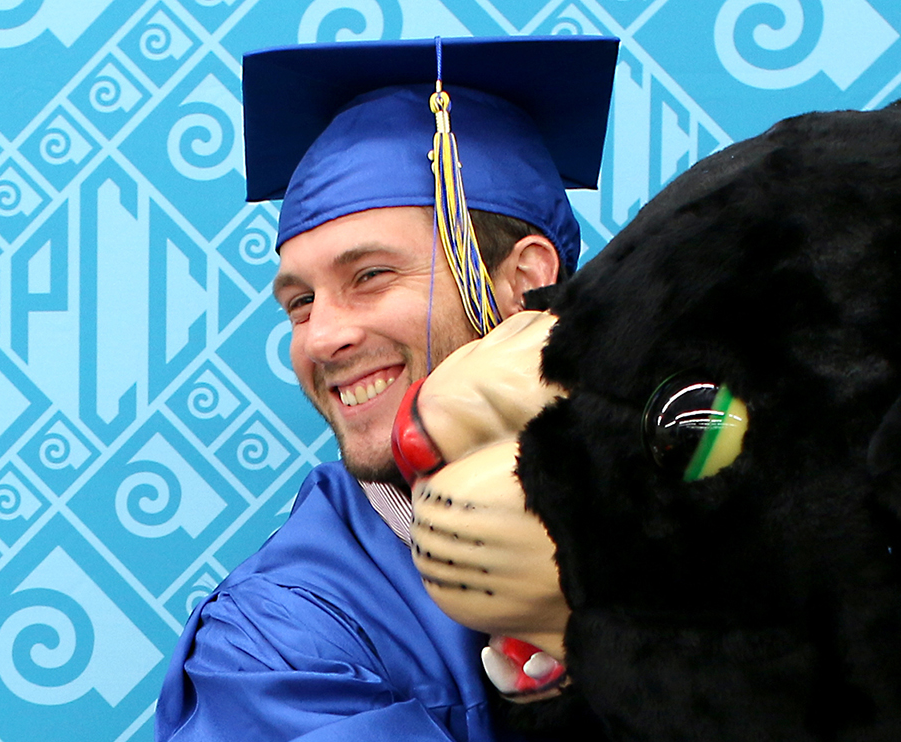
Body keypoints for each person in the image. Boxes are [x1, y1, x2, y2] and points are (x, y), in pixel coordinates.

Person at [156, 36, 617, 741]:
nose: (320, 337)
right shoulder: (276, 645)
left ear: (524, 281)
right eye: (300, 303)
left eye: (369, 276)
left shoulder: (713, 505)